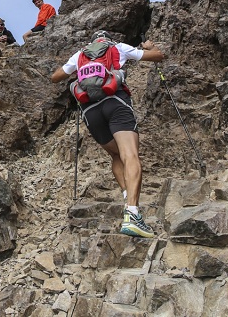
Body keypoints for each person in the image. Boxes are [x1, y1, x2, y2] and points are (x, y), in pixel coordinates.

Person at [50, 31, 165, 238]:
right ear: (107, 39)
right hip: (115, 102)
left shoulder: (80, 55)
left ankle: (127, 197)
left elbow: (56, 77)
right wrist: (147, 47)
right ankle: (132, 215)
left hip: (90, 111)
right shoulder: (118, 47)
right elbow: (157, 56)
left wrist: (77, 72)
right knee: (130, 155)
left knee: (116, 155)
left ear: (93, 41)